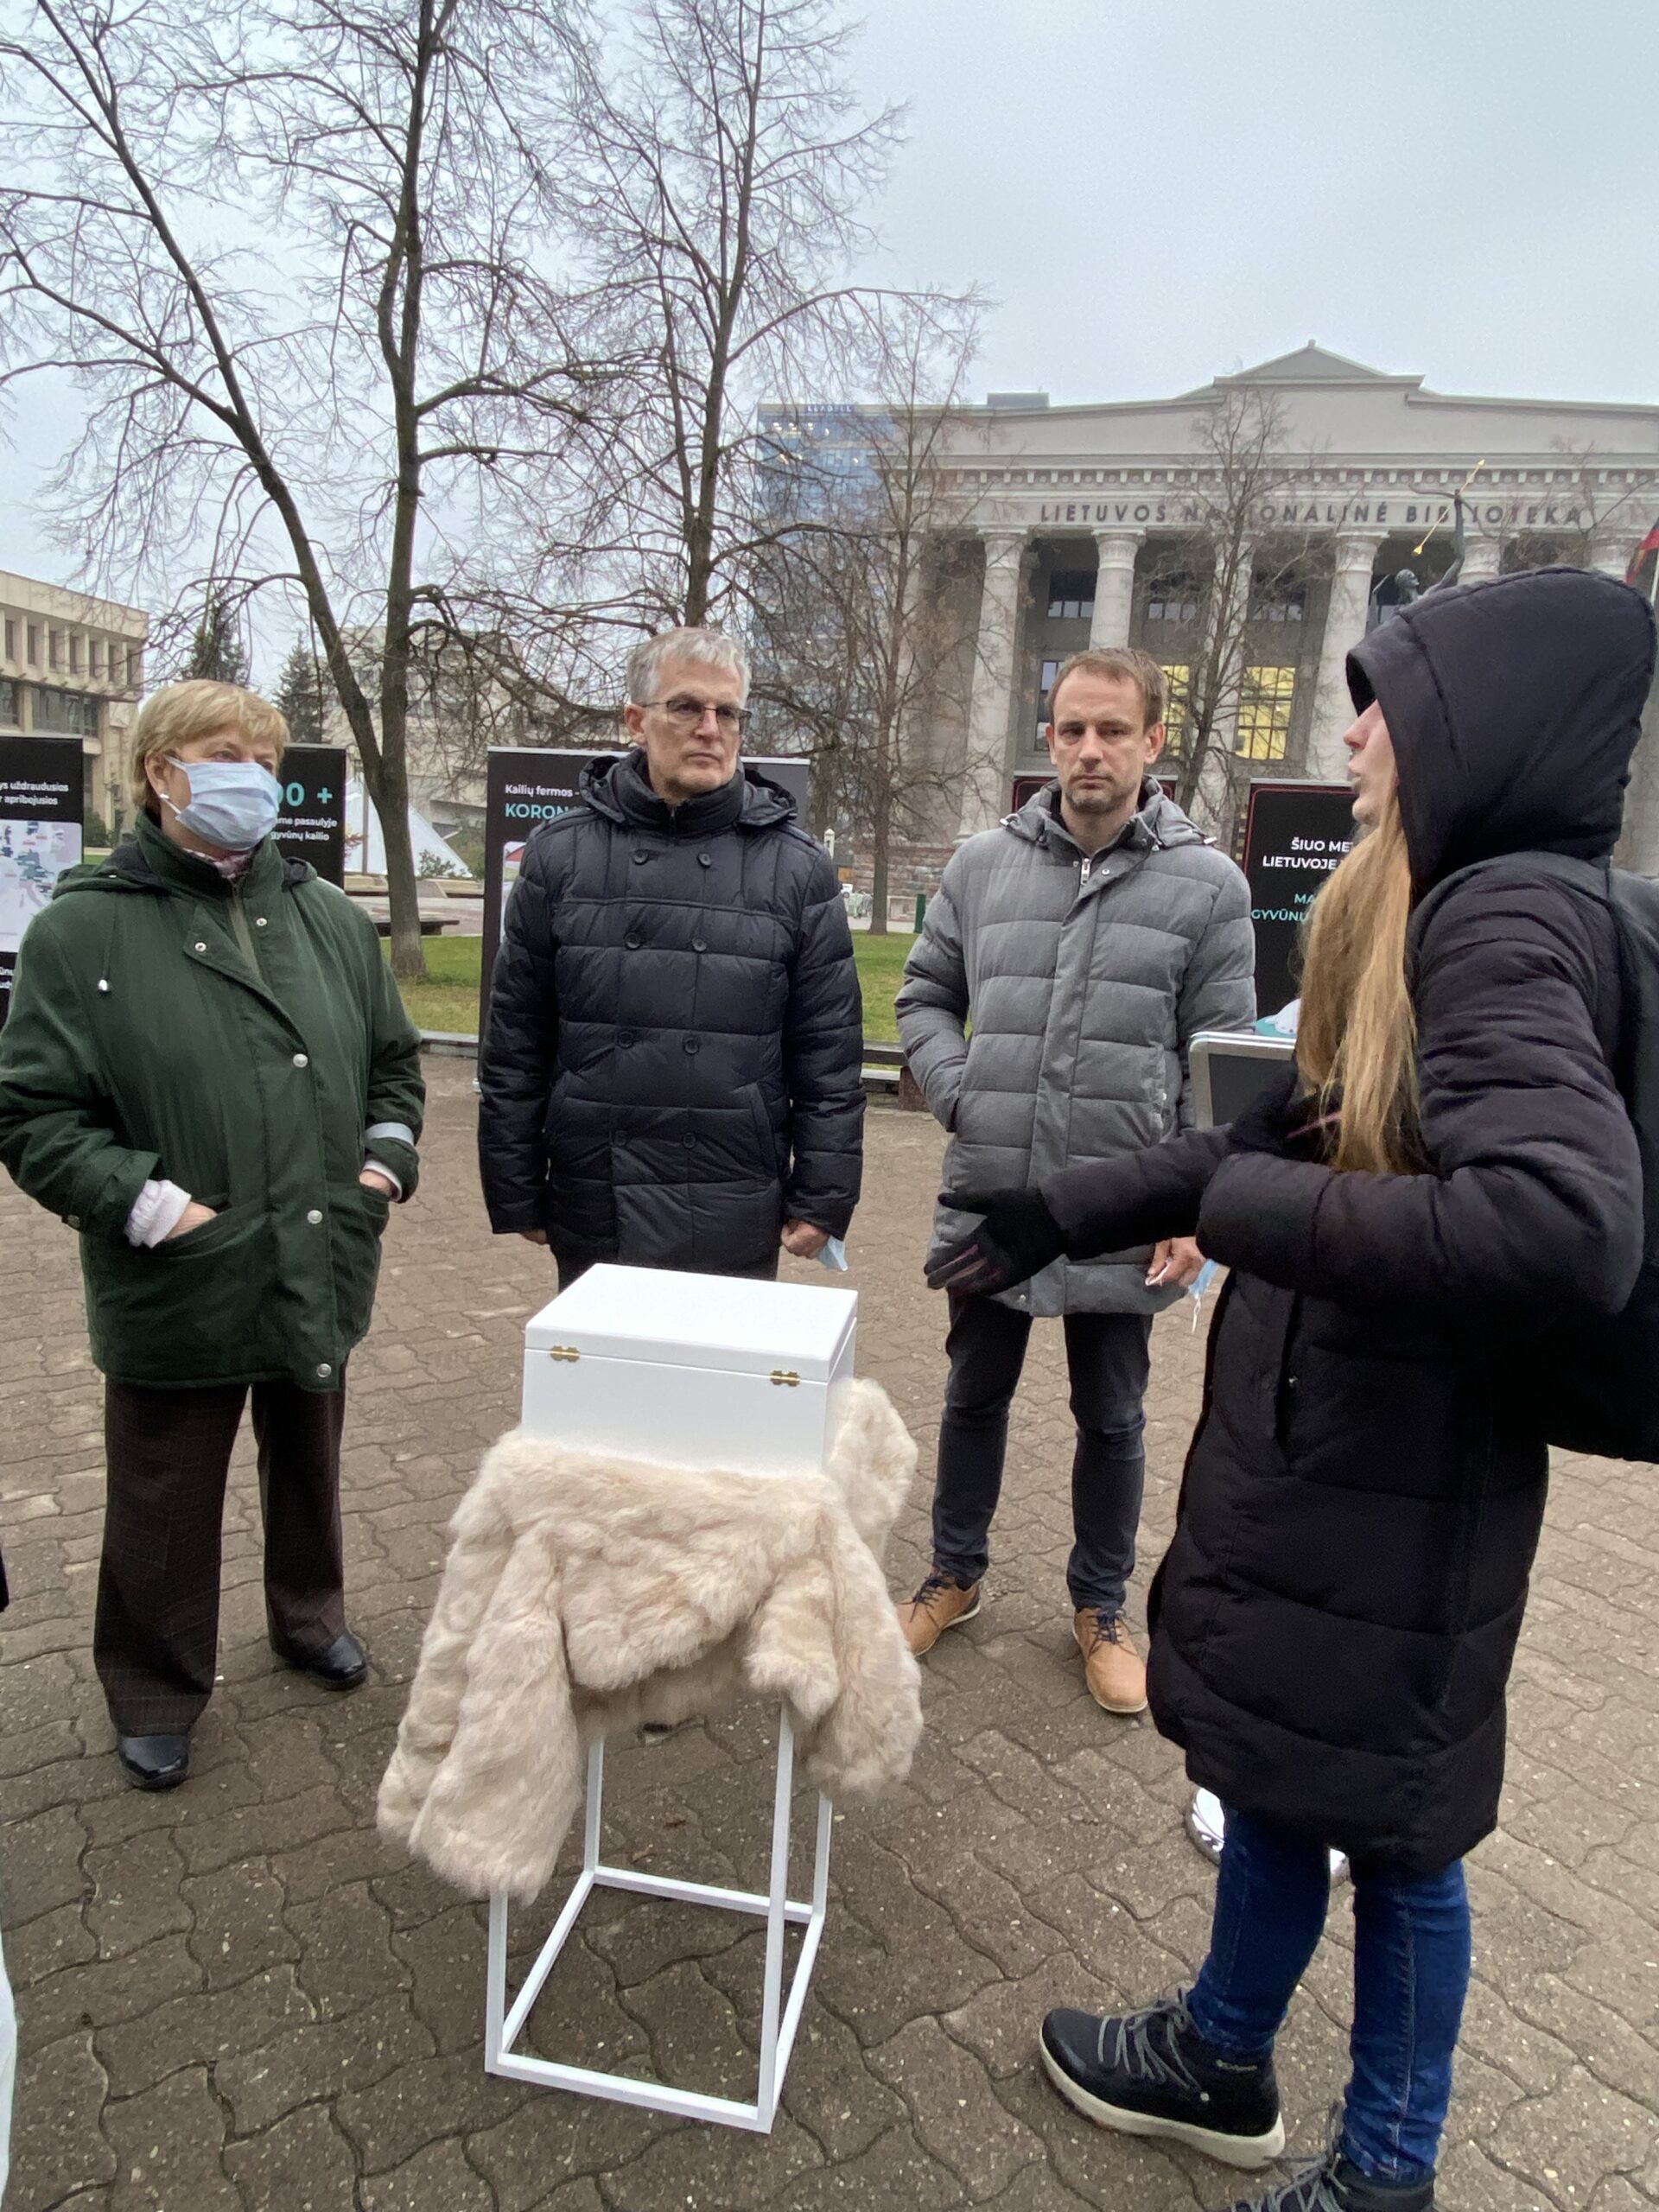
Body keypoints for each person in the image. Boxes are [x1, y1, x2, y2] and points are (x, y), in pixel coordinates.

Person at [925, 567, 1652, 2211]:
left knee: (1395, 1829)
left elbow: (1559, 1222)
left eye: (1386, 704)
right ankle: (1221, 2056)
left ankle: (1385, 2172)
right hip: (1334, 1447)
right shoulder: (1429, 901)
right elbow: (1298, 1132)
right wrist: (1071, 1208)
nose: (1356, 734)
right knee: (1269, 1757)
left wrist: (1241, 1215)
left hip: (1406, 1470)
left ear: (1473, 727)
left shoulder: (1498, 919)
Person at [0, 680, 423, 1791]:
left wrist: (382, 1162)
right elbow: (32, 1112)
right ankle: (154, 1685)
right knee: (164, 1495)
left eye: (264, 759)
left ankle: (309, 1615)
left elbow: (393, 1062)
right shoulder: (81, 928)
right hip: (179, 1265)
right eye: (224, 753)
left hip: (317, 1245)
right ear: (161, 771)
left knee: (311, 1464)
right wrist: (147, 1204)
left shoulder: (329, 919)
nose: (252, 776)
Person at [894, 647, 1254, 1713]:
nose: (1089, 749)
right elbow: (923, 997)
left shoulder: (1210, 888)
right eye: (1071, 729)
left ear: (1153, 742)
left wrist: (1197, 1211)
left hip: (1124, 1207)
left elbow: (1219, 1063)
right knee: (973, 1395)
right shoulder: (980, 867)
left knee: (1114, 1417)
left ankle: (1102, 1605)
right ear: (1048, 738)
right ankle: (955, 1572)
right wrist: (963, 1092)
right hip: (996, 1197)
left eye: (1112, 730)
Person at [478, 626, 862, 1281]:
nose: (710, 729)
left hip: (734, 1194)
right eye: (686, 707)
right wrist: (514, 1184)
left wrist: (824, 1194)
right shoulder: (560, 855)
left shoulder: (797, 868)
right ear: (636, 721)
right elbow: (517, 1038)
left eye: (727, 712)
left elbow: (827, 1052)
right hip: (596, 1193)